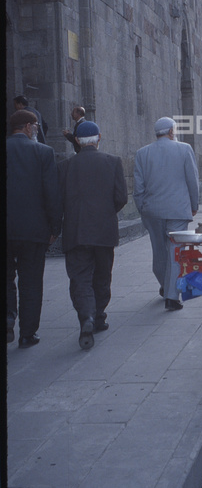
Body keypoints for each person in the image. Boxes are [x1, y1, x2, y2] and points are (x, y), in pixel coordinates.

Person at [58, 121, 127, 350]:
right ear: (99, 138)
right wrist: (105, 214)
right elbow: (121, 198)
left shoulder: (65, 166)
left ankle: (86, 316)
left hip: (76, 231)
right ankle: (99, 316)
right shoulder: (113, 162)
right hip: (104, 231)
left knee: (80, 277)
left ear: (77, 140)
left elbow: (58, 200)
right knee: (102, 275)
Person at [6, 110, 62, 347]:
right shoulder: (43, 152)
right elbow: (52, 192)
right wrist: (55, 226)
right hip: (34, 230)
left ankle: (7, 319)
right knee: (31, 282)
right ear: (28, 127)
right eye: (36, 125)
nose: (37, 130)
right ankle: (27, 333)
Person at [133, 117, 199, 311]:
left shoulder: (142, 153)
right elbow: (192, 180)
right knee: (175, 251)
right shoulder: (184, 149)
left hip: (152, 210)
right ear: (171, 132)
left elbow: (138, 187)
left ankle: (165, 284)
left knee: (159, 251)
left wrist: (142, 208)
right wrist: (194, 204)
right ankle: (171, 295)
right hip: (178, 210)